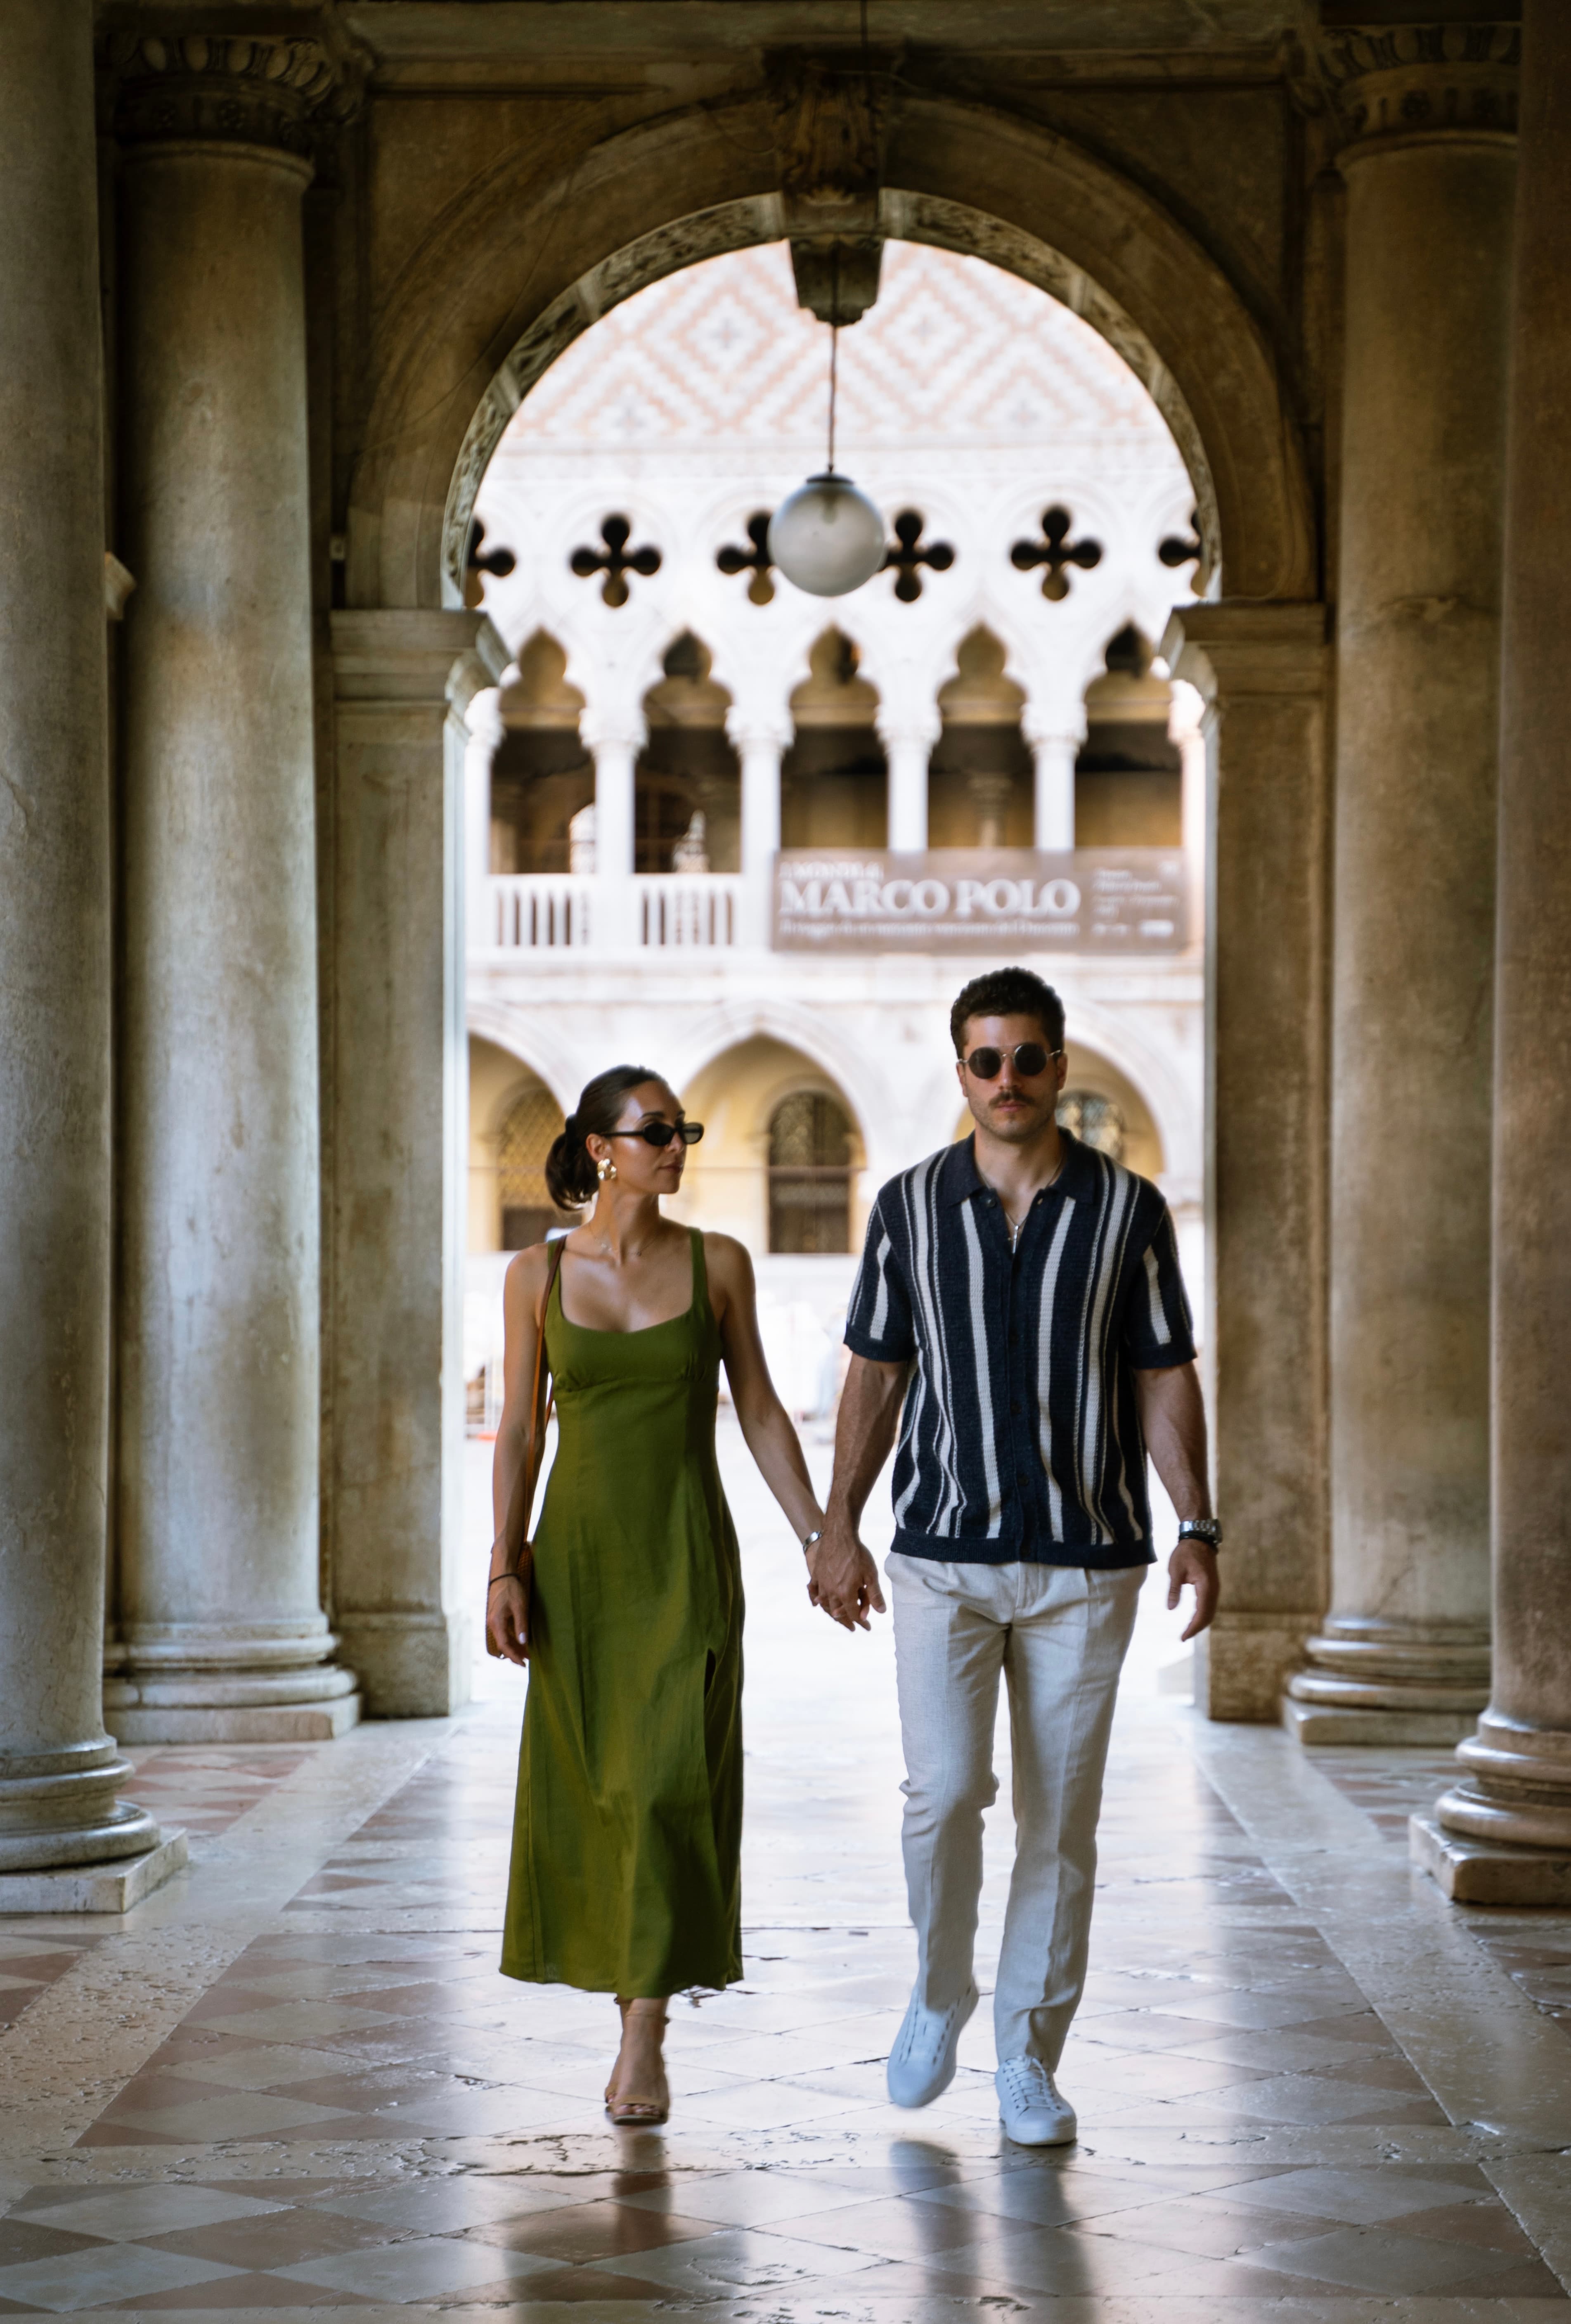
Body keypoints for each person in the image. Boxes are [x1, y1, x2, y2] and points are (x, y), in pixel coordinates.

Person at [808, 967, 1220, 2147]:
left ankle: (1027, 2058)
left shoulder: (1126, 1207)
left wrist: (1194, 1521)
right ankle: (939, 1993)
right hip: (941, 1553)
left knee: (1058, 1822)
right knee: (942, 1795)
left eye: (1026, 1058)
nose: (1006, 1080)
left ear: (1058, 1066)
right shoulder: (904, 1206)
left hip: (1088, 1561)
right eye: (984, 1061)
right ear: (960, 1072)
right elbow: (875, 1373)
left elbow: (1161, 1370)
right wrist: (837, 1522)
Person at [486, 1064, 827, 2127]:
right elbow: (520, 1428)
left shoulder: (718, 1263)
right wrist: (504, 1563)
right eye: (656, 1131)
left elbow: (763, 1412)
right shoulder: (533, 1275)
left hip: (684, 1555)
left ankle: (646, 2030)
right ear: (600, 1149)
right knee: (602, 1786)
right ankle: (628, 2004)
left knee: (672, 1779)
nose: (676, 1146)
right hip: (578, 1562)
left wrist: (821, 1536)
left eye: (682, 1129)